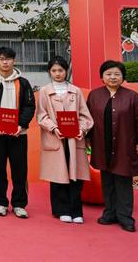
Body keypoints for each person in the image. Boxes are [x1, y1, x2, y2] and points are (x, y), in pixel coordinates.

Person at [87, 60, 138, 232]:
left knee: (123, 181)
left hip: (125, 144)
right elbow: (87, 119)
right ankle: (110, 213)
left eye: (117, 74)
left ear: (123, 77)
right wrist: (86, 138)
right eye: (108, 74)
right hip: (102, 144)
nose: (113, 77)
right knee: (107, 180)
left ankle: (125, 217)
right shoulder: (94, 96)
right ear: (102, 77)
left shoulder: (132, 96)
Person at [0, 46, 35, 219]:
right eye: (1, 59)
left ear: (14, 61)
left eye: (8, 59)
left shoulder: (23, 83)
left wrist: (21, 125)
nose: (5, 62)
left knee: (20, 169)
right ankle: (1, 203)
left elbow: (29, 106)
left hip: (19, 133)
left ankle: (19, 204)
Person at [36, 56, 93, 224]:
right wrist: (54, 128)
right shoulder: (45, 91)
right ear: (49, 72)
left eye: (60, 70)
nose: (57, 73)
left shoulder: (76, 91)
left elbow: (85, 116)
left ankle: (76, 211)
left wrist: (81, 129)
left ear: (66, 71)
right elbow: (41, 115)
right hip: (55, 138)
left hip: (75, 140)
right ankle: (61, 210)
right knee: (58, 175)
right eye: (53, 70)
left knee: (76, 175)